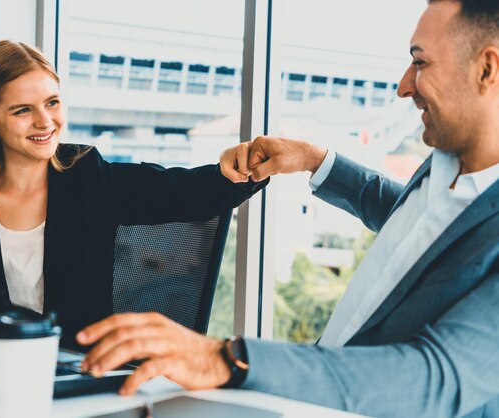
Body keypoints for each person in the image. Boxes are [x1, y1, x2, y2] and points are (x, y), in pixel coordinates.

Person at [75, 1, 499, 417]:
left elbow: (436, 378)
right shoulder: (449, 158)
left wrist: (226, 358)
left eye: (420, 63)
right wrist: (315, 160)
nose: (404, 86)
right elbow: (419, 228)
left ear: (487, 68)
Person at [0, 40, 267, 347]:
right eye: (22, 110)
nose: (45, 122)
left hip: (79, 371)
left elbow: (186, 192)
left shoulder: (89, 176)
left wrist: (240, 167)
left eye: (52, 102)